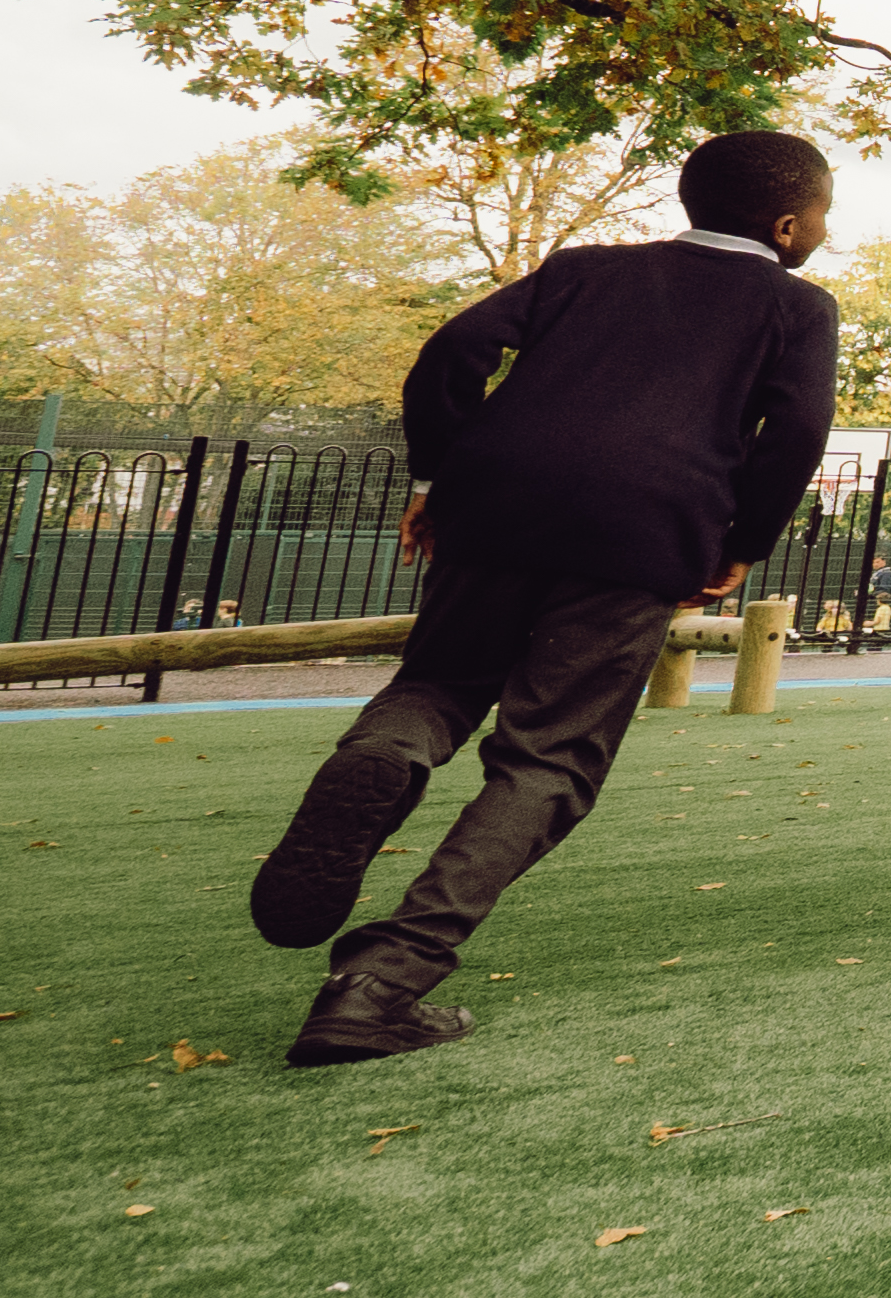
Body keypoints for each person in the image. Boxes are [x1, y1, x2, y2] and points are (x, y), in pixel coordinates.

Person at [255, 128, 844, 1064]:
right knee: (548, 761)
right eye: (822, 210)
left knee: (439, 683)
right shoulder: (797, 307)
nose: (823, 225)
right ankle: (378, 986)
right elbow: (800, 428)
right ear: (785, 223)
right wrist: (740, 547)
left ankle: (381, 756)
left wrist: (435, 483)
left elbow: (452, 351)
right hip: (641, 533)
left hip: (492, 510)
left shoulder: (584, 268)